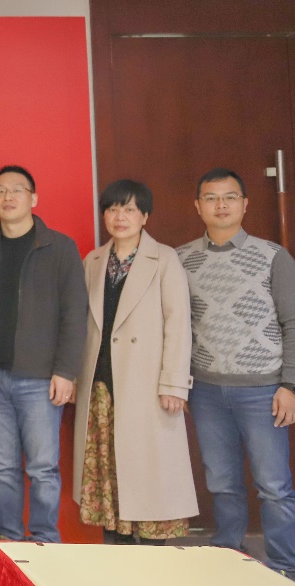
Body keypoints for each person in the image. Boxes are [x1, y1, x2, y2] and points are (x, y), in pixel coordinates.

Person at [0, 165, 87, 572]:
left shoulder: (60, 248)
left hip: (40, 378)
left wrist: (66, 371)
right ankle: (8, 547)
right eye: (1, 190)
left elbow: (75, 314)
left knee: (42, 468)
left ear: (33, 198)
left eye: (17, 190)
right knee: (2, 468)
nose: (8, 197)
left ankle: (45, 547)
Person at [177, 168, 295, 579]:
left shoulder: (273, 256)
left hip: (263, 390)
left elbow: (293, 321)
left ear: (245, 204)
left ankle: (283, 566)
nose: (221, 205)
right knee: (222, 482)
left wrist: (289, 385)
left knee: (273, 486)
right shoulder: (181, 259)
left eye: (229, 197)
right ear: (198, 206)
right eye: (211, 198)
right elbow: (176, 326)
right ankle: (228, 557)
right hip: (206, 390)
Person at [72, 179, 197, 545]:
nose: (120, 217)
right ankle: (118, 544)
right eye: (112, 209)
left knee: (149, 470)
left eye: (129, 209)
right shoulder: (93, 261)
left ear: (145, 216)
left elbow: (178, 323)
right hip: (101, 382)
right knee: (108, 468)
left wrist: (174, 383)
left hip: (146, 382)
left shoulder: (165, 259)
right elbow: (81, 324)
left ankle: (153, 552)